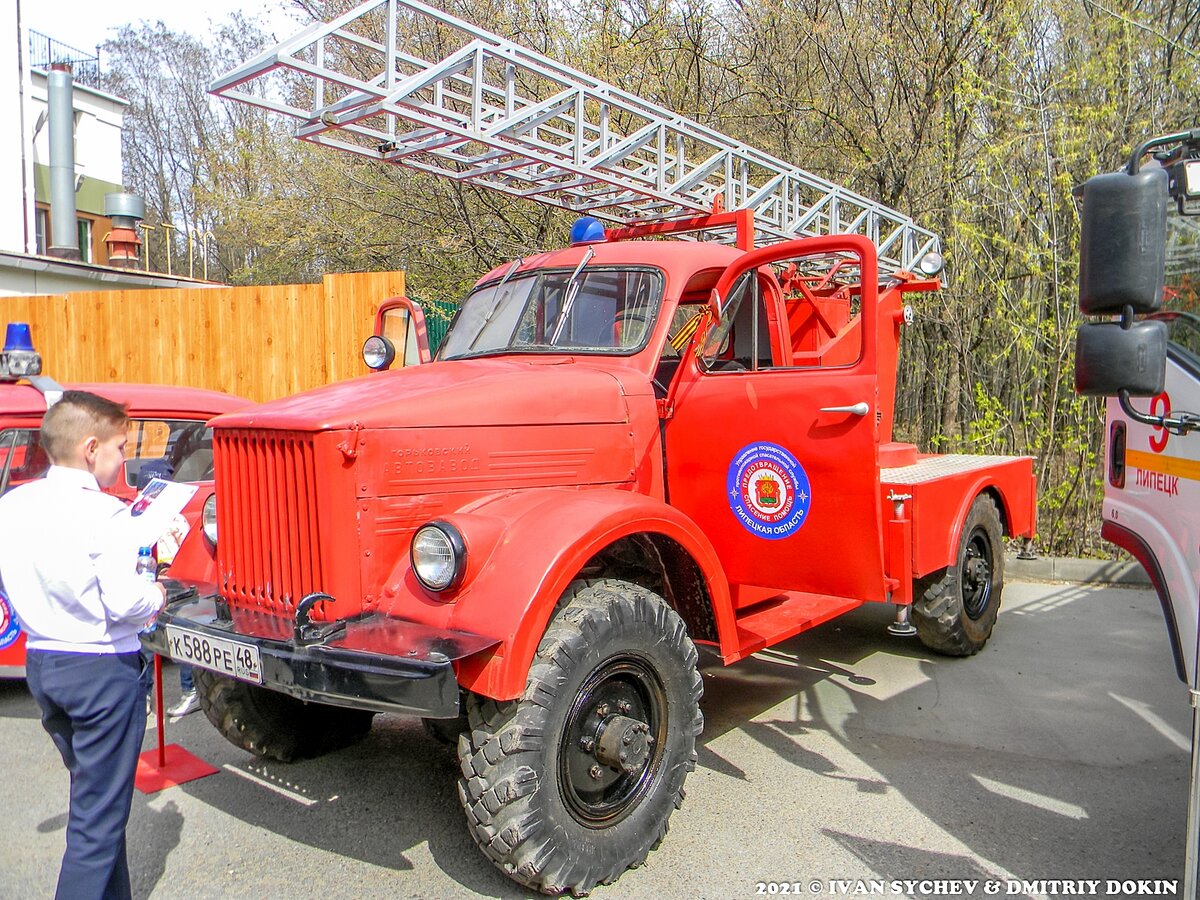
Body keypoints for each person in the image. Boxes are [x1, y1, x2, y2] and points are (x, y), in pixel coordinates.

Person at [0, 390, 165, 900]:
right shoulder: (104, 515)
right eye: (119, 447)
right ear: (91, 449)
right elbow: (125, 603)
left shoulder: (13, 504)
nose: (124, 457)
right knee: (95, 825)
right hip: (100, 669)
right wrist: (156, 589)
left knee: (97, 804)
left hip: (45, 662)